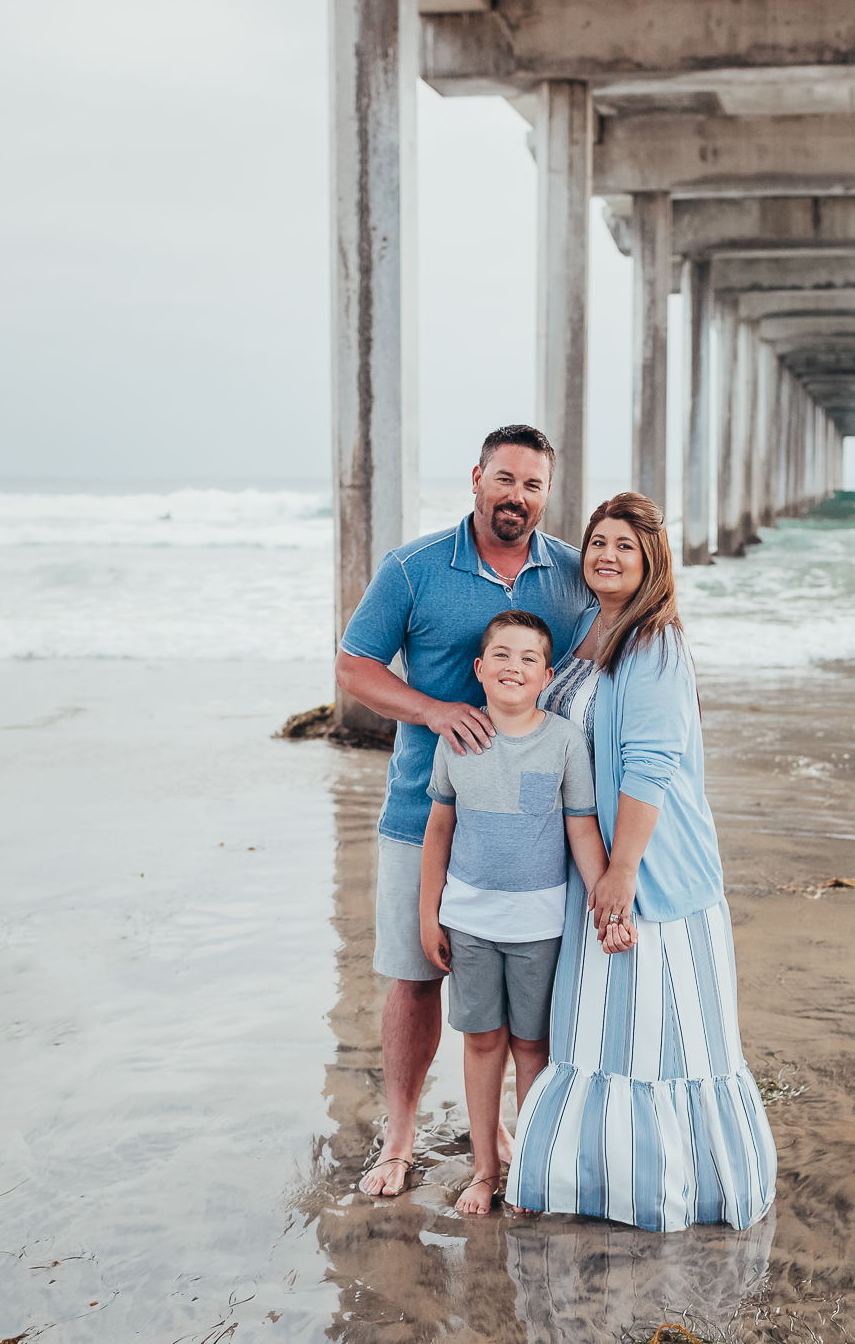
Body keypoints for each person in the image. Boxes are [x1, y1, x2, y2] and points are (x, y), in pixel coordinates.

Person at [335, 426, 595, 1198]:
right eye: (505, 479)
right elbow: (354, 667)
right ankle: (401, 1133)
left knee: (527, 1006)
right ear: (477, 477)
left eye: (534, 485)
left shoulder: (574, 576)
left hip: (536, 833)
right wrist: (434, 710)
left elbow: (609, 658)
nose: (518, 496)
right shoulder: (413, 569)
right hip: (425, 812)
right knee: (417, 977)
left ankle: (510, 1135)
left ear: (548, 494)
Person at [506, 492, 777, 1232]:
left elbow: (648, 763)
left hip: (652, 870)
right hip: (590, 868)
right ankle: (591, 1179)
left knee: (656, 1031)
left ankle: (661, 1189)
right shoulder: (591, 629)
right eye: (597, 542)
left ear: (652, 560)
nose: (607, 555)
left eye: (625, 545)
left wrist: (622, 871)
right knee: (599, 1030)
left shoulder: (653, 641)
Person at [417, 611, 605, 1216]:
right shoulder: (457, 739)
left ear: (548, 675)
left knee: (532, 1047)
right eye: (501, 655)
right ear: (479, 668)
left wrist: (606, 899)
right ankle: (483, 1169)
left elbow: (581, 830)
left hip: (541, 927)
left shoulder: (564, 741)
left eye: (528, 659)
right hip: (469, 923)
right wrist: (429, 914)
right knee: (481, 1042)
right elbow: (439, 829)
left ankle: (527, 1169)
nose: (513, 668)